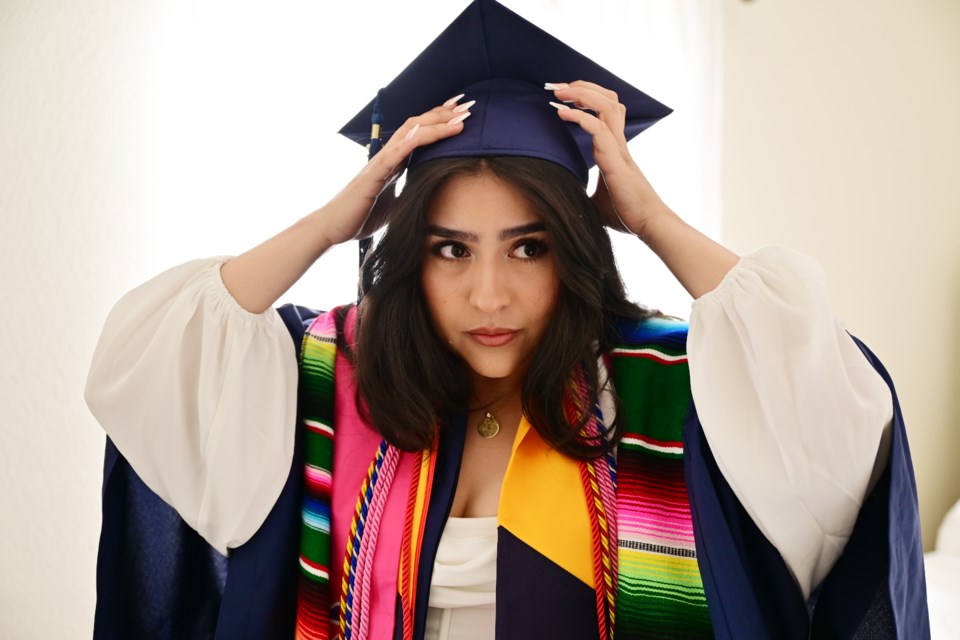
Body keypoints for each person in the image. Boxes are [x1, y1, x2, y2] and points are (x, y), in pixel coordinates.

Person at [84, 1, 929, 638]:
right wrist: (331, 222)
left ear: (579, 246)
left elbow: (832, 399)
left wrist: (654, 216)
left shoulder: (665, 387)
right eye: (452, 249)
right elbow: (147, 358)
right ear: (409, 250)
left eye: (529, 248)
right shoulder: (336, 377)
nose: (490, 295)